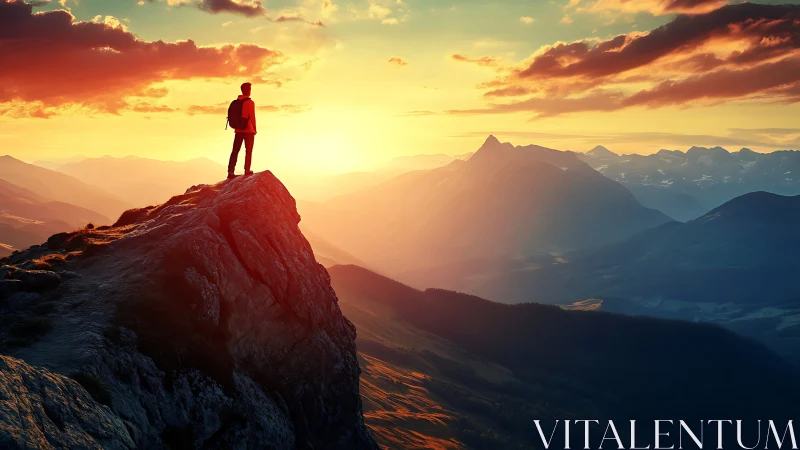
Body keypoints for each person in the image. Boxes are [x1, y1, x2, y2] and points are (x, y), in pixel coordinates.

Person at [228, 82, 257, 179]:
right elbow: (252, 117)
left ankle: (230, 172)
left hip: (238, 130)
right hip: (249, 131)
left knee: (235, 151)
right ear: (249, 91)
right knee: (248, 151)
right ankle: (247, 170)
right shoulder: (250, 102)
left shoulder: (236, 102)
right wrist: (255, 129)